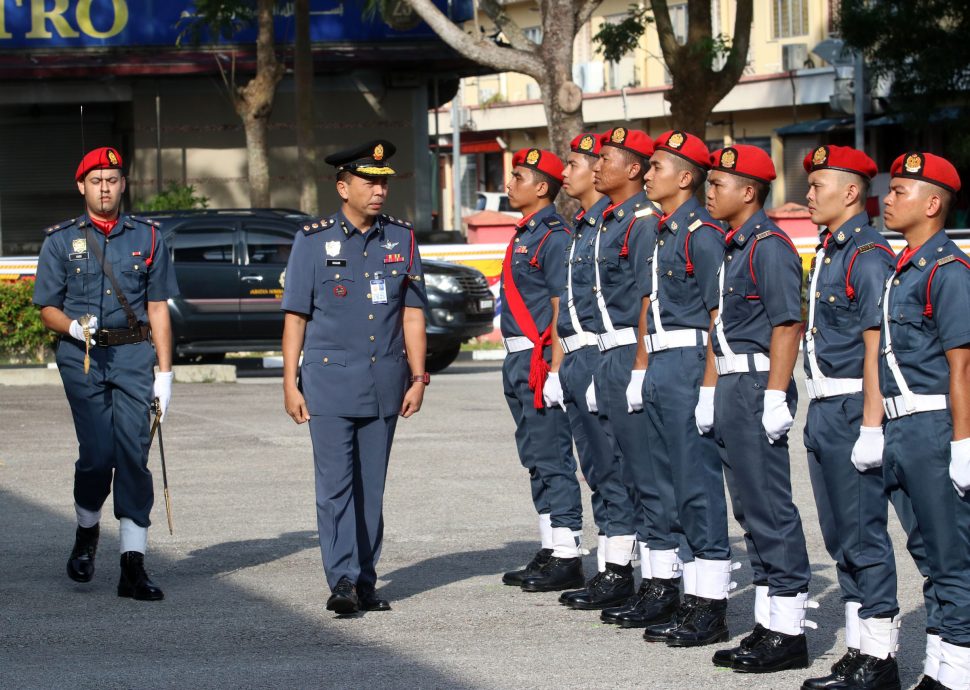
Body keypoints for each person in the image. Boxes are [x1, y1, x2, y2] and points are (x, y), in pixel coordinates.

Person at [281, 139, 429, 615]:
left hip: (386, 381)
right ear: (343, 187)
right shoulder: (312, 240)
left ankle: (366, 578)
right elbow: (296, 318)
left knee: (372, 487)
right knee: (335, 486)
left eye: (384, 182)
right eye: (369, 182)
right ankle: (342, 578)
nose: (379, 190)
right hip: (327, 384)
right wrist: (289, 382)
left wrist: (419, 377)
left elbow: (412, 315)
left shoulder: (401, 239)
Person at [33, 146, 178, 601]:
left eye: (112, 180)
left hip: (135, 355)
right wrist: (72, 325)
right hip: (83, 357)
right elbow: (47, 308)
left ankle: (132, 565)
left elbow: (158, 308)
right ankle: (86, 532)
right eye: (96, 181)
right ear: (81, 186)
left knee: (133, 455)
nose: (105, 188)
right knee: (97, 455)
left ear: (123, 184)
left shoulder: (149, 237)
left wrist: (166, 373)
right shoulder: (60, 241)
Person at [701, 144, 814, 673]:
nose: (709, 190)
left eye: (719, 183)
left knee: (769, 508)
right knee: (749, 510)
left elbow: (787, 323)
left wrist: (775, 394)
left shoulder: (769, 246)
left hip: (754, 386)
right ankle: (770, 625)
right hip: (731, 384)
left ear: (749, 192)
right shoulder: (735, 246)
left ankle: (788, 633)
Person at [798, 146, 901, 690]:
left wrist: (870, 423)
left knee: (862, 534)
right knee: (840, 536)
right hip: (823, 407)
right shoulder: (832, 251)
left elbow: (876, 345)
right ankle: (861, 648)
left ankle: (880, 660)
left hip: (851, 406)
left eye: (818, 185)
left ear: (852, 192)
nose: (809, 194)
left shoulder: (867, 255)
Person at [636, 130, 733, 647]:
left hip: (691, 363)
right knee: (668, 483)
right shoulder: (664, 230)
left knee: (697, 486)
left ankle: (710, 605)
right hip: (661, 362)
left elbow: (719, 315)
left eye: (656, 167)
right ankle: (689, 596)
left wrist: (710, 387)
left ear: (686, 177)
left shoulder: (701, 233)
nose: (647, 174)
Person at [879, 152, 970, 690]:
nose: (887, 200)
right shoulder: (903, 268)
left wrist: (963, 442)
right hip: (902, 428)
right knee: (928, 553)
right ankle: (941, 662)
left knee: (953, 555)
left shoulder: (948, 271)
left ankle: (958, 672)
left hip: (936, 429)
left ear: (932, 203)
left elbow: (963, 364)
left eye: (899, 192)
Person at [585, 127, 675, 623]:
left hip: (632, 351)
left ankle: (664, 580)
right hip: (609, 354)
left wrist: (639, 366)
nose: (597, 167)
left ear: (635, 169)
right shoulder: (609, 222)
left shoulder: (643, 222)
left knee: (649, 475)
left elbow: (645, 302)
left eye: (607, 159)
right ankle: (641, 574)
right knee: (619, 471)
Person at [550, 133, 638, 610]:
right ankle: (612, 563)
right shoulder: (585, 225)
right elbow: (569, 306)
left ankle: (620, 567)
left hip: (608, 353)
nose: (570, 172)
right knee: (598, 469)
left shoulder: (619, 224)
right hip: (582, 355)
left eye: (580, 163)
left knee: (616, 468)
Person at [498, 147, 585, 593]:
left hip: (537, 361)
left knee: (553, 457)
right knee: (534, 457)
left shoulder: (554, 236)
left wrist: (554, 368)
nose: (509, 184)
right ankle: (551, 547)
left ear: (542, 187)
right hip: (516, 359)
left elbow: (558, 306)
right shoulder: (526, 233)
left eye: (519, 176)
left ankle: (568, 553)